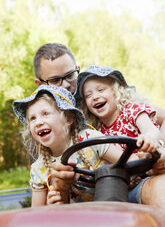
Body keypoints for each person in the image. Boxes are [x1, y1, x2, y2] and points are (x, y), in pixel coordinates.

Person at [13, 84, 134, 207]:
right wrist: (50, 205)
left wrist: (147, 158)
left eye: (45, 114)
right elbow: (37, 215)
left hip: (114, 205)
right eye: (32, 118)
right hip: (75, 220)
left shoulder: (90, 139)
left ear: (68, 118)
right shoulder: (38, 168)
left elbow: (130, 163)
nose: (38, 122)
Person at [33, 43, 165, 141]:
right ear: (40, 84)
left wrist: (160, 149)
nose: (66, 84)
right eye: (55, 80)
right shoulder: (39, 121)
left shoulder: (123, 108)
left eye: (70, 75)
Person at [74, 65, 165, 208]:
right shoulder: (99, 134)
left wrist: (150, 138)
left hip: (152, 164)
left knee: (160, 158)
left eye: (101, 89)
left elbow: (150, 129)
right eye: (88, 95)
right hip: (128, 185)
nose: (95, 96)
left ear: (116, 91)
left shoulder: (131, 110)